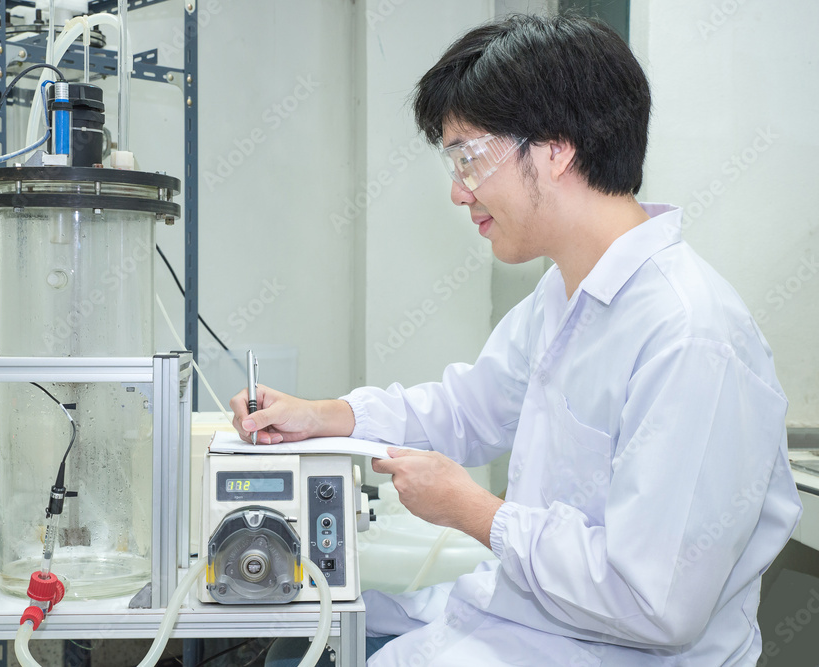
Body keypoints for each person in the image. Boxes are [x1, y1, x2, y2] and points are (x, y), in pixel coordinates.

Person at [233, 13, 802, 666]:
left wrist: (477, 511)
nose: (457, 191)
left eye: (469, 158)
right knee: (306, 628)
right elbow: (470, 408)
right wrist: (324, 416)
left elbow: (655, 602)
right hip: (532, 621)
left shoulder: (691, 336)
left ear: (557, 147)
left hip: (614, 651)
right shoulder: (566, 296)